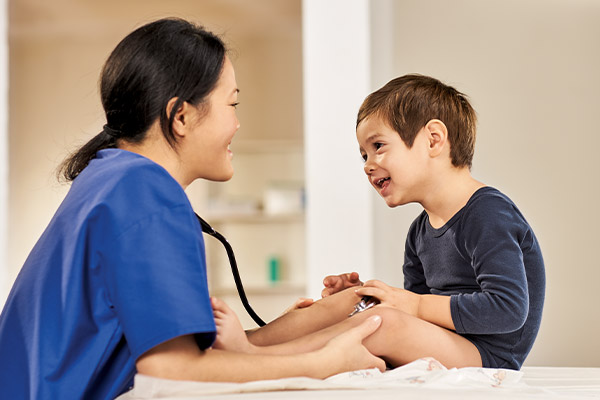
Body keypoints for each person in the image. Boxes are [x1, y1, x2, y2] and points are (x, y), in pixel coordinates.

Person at [0, 18, 385, 400]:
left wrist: (304, 324)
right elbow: (173, 371)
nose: (237, 123)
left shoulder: (112, 179)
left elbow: (191, 354)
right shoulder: (146, 192)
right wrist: (323, 364)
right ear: (181, 116)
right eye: (231, 104)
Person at [231, 74, 545, 371]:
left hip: (488, 356)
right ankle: (242, 343)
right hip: (446, 342)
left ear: (433, 140)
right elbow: (415, 314)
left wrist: (411, 307)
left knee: (384, 322)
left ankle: (260, 358)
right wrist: (366, 302)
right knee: (363, 300)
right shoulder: (419, 233)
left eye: (378, 146)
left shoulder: (488, 214)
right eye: (363, 156)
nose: (368, 166)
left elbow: (508, 310)